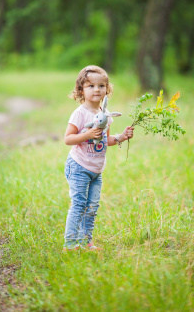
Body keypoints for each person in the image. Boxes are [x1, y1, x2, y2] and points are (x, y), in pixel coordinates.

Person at [63, 65, 134, 251]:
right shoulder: (80, 113)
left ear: (107, 89)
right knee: (79, 205)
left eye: (101, 86)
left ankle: (86, 243)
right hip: (78, 166)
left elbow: (106, 139)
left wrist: (121, 137)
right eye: (91, 86)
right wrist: (87, 134)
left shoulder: (105, 115)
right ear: (81, 90)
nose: (97, 89)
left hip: (96, 170)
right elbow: (68, 139)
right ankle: (70, 244)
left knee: (92, 207)